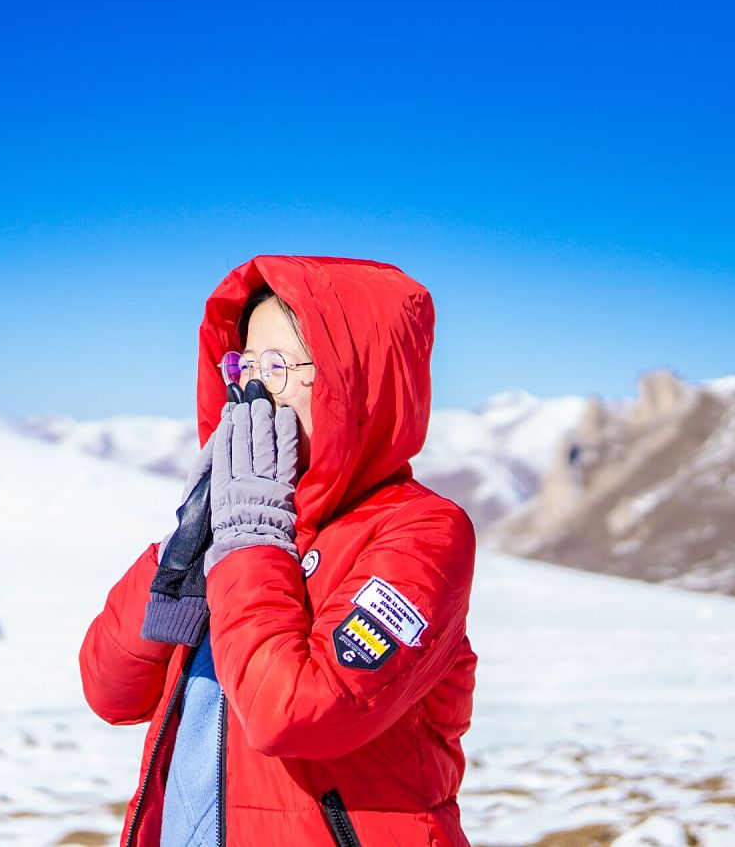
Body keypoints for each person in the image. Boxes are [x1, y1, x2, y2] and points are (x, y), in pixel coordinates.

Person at [79, 256, 478, 846]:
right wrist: (185, 548)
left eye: (278, 365)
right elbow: (112, 693)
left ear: (356, 380)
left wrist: (250, 538)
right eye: (243, 364)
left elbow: (292, 714)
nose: (252, 389)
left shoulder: (421, 531)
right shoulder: (243, 520)